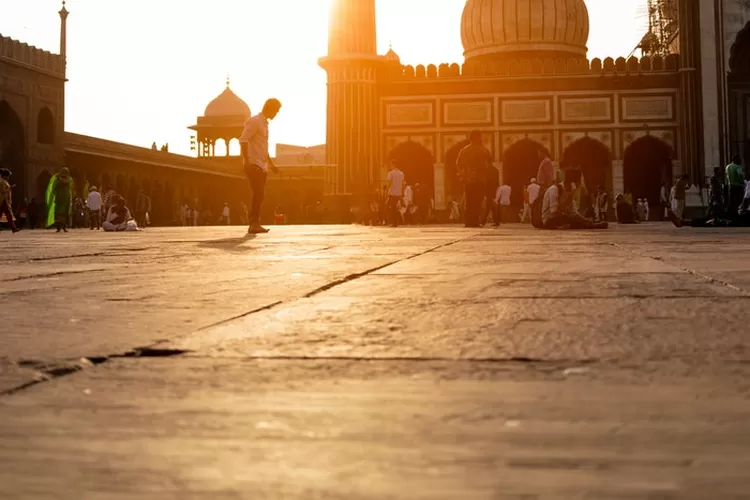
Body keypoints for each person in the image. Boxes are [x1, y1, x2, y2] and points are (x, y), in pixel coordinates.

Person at [239, 98, 282, 234]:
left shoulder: (264, 124)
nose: (276, 114)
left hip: (262, 165)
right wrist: (246, 161)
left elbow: (263, 147)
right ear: (269, 108)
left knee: (260, 195)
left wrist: (271, 164)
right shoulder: (255, 121)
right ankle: (254, 223)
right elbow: (243, 140)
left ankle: (254, 222)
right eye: (276, 110)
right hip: (254, 163)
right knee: (258, 193)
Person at [541, 172, 607, 230]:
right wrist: (571, 217)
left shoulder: (571, 192)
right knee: (572, 220)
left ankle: (591, 224)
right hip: (550, 220)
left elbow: (574, 212)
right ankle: (591, 225)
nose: (579, 185)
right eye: (578, 183)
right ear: (571, 182)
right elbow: (554, 212)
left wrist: (583, 219)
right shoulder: (554, 190)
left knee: (578, 222)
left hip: (563, 218)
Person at [456, 130, 492, 228]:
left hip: (468, 180)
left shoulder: (464, 150)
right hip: (479, 179)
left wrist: (463, 175)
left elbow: (458, 164)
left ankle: (468, 222)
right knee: (477, 201)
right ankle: (475, 222)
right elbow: (488, 162)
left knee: (469, 201)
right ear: (478, 137)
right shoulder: (483, 150)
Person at [532, 150, 556, 228]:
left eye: (539, 154)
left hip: (545, 185)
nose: (538, 156)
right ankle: (541, 220)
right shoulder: (545, 161)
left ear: (543, 153)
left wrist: (548, 186)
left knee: (543, 204)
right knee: (541, 203)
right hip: (543, 185)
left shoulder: (546, 161)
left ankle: (544, 220)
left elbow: (549, 175)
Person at [45, 167, 74, 232]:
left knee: (63, 215)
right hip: (60, 200)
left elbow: (70, 185)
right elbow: (54, 188)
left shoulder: (62, 179)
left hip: (65, 200)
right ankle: (60, 228)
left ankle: (62, 228)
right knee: (60, 215)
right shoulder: (59, 180)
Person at [386, 160, 405, 227]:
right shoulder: (401, 173)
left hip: (392, 193)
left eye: (391, 165)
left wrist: (386, 192)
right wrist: (402, 193)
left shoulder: (391, 173)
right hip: (399, 194)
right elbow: (403, 184)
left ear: (393, 165)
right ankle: (396, 222)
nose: (390, 166)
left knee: (392, 208)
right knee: (397, 208)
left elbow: (389, 183)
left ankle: (394, 223)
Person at [0, 168, 19, 233]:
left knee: (8, 215)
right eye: (8, 175)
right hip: (3, 200)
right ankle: (14, 228)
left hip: (4, 200)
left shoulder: (4, 181)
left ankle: (14, 228)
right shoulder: (2, 182)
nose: (8, 177)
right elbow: (2, 191)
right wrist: (10, 187)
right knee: (9, 214)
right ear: (5, 175)